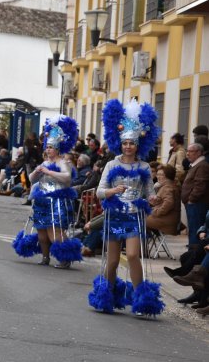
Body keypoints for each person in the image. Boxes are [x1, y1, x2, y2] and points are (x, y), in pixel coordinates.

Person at [88, 99, 164, 317]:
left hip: (133, 218)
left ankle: (141, 299)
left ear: (138, 145)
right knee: (111, 261)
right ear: (119, 144)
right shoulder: (112, 165)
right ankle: (108, 297)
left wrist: (153, 200)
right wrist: (113, 191)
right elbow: (100, 191)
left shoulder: (143, 167)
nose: (128, 146)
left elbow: (150, 192)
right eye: (125, 143)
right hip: (115, 218)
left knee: (132, 255)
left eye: (132, 143)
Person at [12, 115, 82, 269]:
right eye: (47, 147)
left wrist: (49, 172)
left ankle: (65, 258)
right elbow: (31, 179)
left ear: (57, 148)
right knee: (42, 233)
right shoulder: (44, 162)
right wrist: (37, 173)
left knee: (54, 231)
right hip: (42, 201)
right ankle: (45, 257)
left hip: (56, 201)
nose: (48, 149)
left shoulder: (64, 162)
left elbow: (67, 179)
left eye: (51, 147)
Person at [181, 142, 209, 246]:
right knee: (192, 229)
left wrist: (191, 199)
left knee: (195, 230)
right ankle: (192, 254)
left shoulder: (202, 166)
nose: (187, 154)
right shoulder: (196, 165)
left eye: (190, 151)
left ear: (198, 153)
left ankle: (194, 255)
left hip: (197, 204)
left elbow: (200, 185)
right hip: (193, 204)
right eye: (187, 151)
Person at [146, 164, 181, 235]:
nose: (157, 176)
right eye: (157, 174)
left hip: (165, 220)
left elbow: (169, 203)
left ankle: (136, 244)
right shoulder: (168, 185)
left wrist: (156, 212)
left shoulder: (167, 187)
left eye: (160, 175)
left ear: (167, 176)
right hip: (168, 219)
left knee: (138, 222)